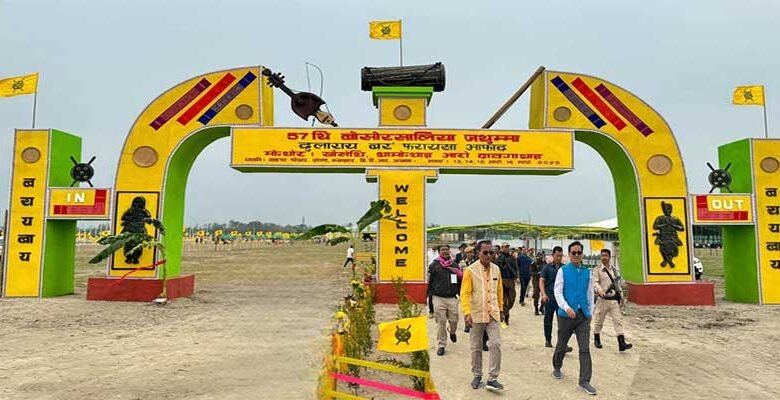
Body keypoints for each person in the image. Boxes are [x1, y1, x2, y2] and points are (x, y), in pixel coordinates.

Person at [552, 241, 597, 396]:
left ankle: (584, 381)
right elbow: (557, 292)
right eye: (573, 253)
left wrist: (590, 311)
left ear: (582, 254)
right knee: (561, 343)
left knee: (584, 348)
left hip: (583, 315)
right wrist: (566, 307)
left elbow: (590, 293)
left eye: (579, 252)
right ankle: (557, 366)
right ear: (569, 254)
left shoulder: (587, 272)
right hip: (566, 315)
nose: (576, 255)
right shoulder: (563, 271)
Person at [461, 240, 504, 392]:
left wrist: (501, 309)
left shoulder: (497, 269)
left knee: (496, 344)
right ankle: (477, 374)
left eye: (491, 252)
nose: (488, 255)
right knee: (476, 347)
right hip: (476, 314)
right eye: (485, 252)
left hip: (493, 313)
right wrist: (467, 313)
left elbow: (499, 290)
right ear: (477, 253)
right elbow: (465, 294)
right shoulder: (470, 271)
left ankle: (492, 378)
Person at [592, 248, 633, 352]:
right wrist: (600, 290)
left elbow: (616, 284)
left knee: (617, 321)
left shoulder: (613, 269)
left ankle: (621, 343)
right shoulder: (597, 270)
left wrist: (621, 296)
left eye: (606, 256)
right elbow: (595, 283)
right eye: (602, 256)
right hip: (603, 300)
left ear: (609, 257)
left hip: (613, 300)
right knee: (599, 321)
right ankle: (597, 339)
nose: (604, 258)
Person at [427, 244, 462, 356]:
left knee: (454, 320)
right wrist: (430, 302)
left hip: (452, 298)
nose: (445, 251)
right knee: (441, 322)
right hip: (438, 298)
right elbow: (430, 283)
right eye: (442, 250)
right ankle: (442, 344)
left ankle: (452, 332)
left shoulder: (455, 265)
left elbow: (460, 281)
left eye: (447, 249)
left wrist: (461, 294)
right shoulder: (434, 265)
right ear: (439, 252)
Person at [539, 247, 572, 352]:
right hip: (549, 298)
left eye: (560, 256)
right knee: (548, 320)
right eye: (557, 255)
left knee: (563, 322)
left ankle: (563, 344)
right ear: (553, 255)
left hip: (561, 300)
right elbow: (541, 281)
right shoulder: (547, 268)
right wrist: (543, 294)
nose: (558, 258)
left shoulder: (565, 268)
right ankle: (548, 340)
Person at [496, 243, 518, 325]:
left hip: (510, 280)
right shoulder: (499, 258)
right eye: (504, 247)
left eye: (507, 247)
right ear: (502, 248)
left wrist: (516, 276)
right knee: (504, 300)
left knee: (512, 298)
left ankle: (506, 311)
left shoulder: (512, 258)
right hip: (502, 280)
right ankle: (506, 316)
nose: (506, 248)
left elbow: (515, 268)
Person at [530, 251, 544, 315]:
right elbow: (530, 272)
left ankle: (541, 307)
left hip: (543, 281)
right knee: (536, 296)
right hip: (536, 280)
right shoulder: (533, 264)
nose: (539, 257)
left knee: (544, 295)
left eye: (540, 256)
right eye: (538, 256)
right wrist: (537, 273)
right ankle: (536, 309)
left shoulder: (544, 263)